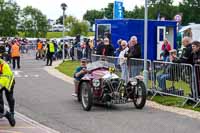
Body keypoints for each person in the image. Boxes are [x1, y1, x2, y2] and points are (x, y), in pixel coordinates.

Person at [0, 58, 16, 127]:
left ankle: (11, 112)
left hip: (8, 80)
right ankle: (2, 112)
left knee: (9, 97)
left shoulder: (3, 65)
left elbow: (5, 78)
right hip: (1, 78)